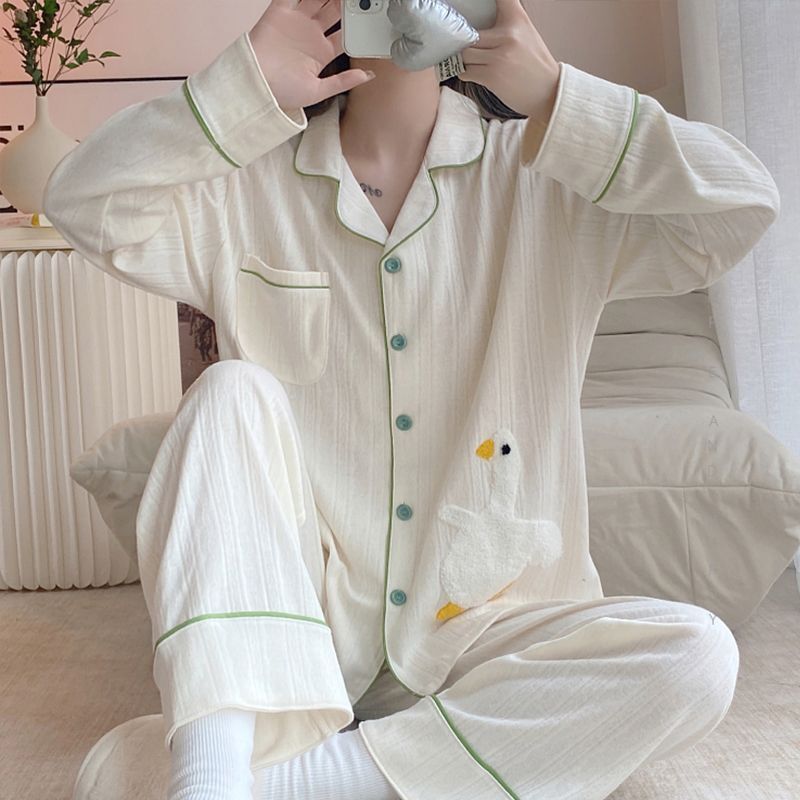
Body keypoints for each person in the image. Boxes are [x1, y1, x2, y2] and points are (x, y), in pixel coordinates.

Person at [43, 0, 781, 797]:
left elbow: (741, 205)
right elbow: (84, 203)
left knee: (696, 657)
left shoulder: (545, 180)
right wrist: (244, 85)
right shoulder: (244, 187)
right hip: (306, 632)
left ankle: (272, 780)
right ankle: (232, 770)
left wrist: (557, 95)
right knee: (229, 393)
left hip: (488, 632)